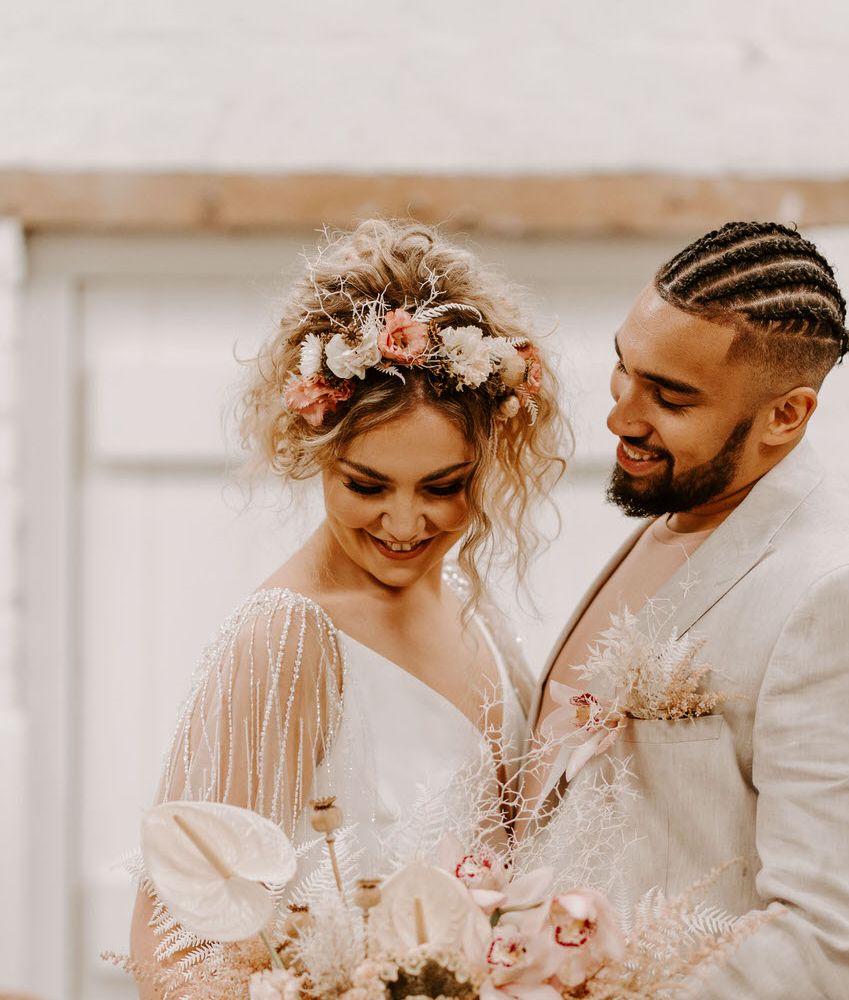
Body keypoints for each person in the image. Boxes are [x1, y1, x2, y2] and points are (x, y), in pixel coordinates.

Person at [129, 220, 566, 991]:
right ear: (316, 450)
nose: (404, 523)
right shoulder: (287, 636)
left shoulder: (474, 611)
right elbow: (178, 949)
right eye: (367, 485)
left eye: (444, 487)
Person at [529, 222, 849, 999]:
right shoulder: (686, 511)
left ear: (786, 415)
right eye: (624, 369)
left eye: (671, 397)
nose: (621, 417)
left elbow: (836, 950)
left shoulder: (842, 597)